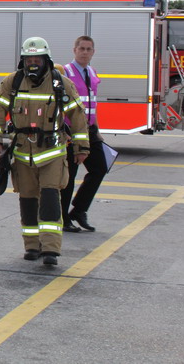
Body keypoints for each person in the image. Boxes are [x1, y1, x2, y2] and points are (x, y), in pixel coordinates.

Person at [0, 36, 89, 266]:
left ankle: (51, 249)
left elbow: (77, 116)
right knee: (28, 199)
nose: (33, 62)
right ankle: (32, 246)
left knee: (51, 197)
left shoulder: (60, 83)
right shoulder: (12, 82)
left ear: (46, 60)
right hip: (22, 152)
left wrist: (81, 147)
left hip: (52, 152)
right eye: (29, 58)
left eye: (37, 58)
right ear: (23, 60)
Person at [61, 36, 106, 232]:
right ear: (74, 50)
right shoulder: (64, 72)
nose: (85, 52)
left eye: (88, 49)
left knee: (99, 168)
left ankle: (79, 210)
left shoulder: (92, 72)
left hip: (90, 130)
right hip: (70, 131)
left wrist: (97, 130)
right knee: (69, 175)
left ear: (93, 52)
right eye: (81, 48)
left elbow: (91, 104)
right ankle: (63, 218)